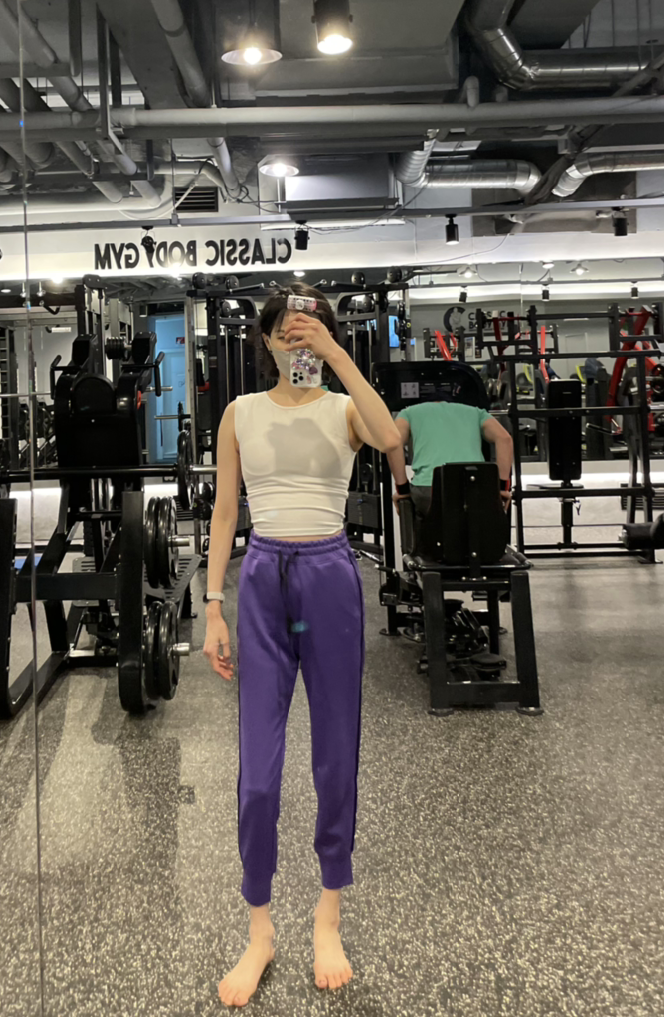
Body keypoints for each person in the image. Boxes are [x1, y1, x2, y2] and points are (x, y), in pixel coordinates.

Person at [202, 283, 400, 1007]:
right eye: (287, 332)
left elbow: (389, 438)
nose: (298, 342)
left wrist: (336, 353)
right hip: (261, 580)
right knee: (258, 773)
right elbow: (226, 510)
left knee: (335, 758)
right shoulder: (240, 413)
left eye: (310, 332)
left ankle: (327, 915)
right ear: (265, 341)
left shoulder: (345, 410)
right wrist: (212, 606)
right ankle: (259, 931)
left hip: (327, 577)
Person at [387, 396, 514, 517]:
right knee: (475, 522)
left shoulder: (409, 413)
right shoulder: (476, 412)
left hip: (429, 488)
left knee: (427, 518)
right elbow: (505, 439)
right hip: (474, 486)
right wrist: (502, 487)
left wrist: (402, 489)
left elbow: (393, 443)